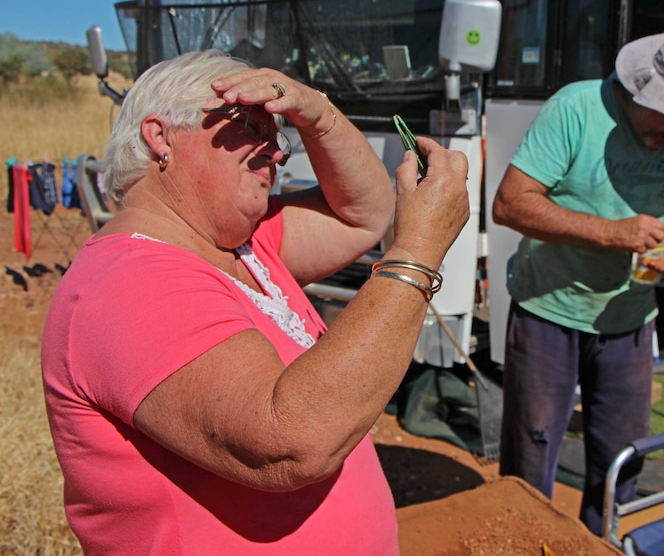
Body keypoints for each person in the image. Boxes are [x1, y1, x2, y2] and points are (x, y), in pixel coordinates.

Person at [41, 49, 470, 555]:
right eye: (248, 123)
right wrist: (417, 253)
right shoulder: (127, 282)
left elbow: (365, 214)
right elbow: (291, 442)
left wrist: (316, 113)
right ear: (161, 138)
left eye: (277, 133)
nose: (277, 151)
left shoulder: (243, 244)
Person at [491, 28, 664, 534]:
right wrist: (611, 233)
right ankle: (522, 539)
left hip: (631, 320)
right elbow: (510, 204)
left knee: (622, 455)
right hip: (549, 307)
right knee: (533, 445)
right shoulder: (578, 108)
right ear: (643, 90)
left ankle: (602, 540)